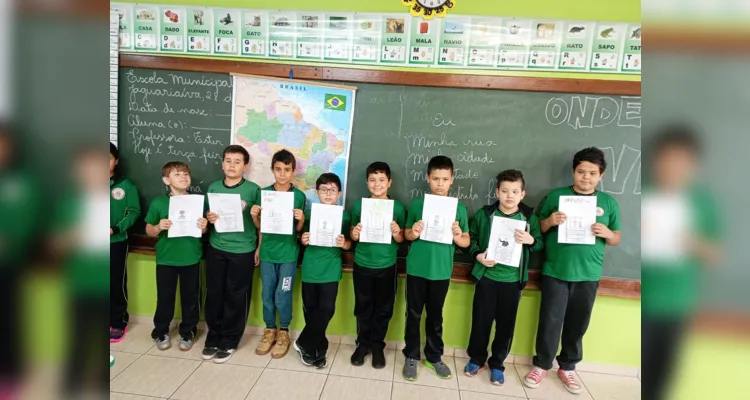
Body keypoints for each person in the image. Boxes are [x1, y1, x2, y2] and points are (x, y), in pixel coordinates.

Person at [524, 147, 621, 394]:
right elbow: (537, 230)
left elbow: (616, 237)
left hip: (588, 273)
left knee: (578, 323)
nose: (585, 177)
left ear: (602, 175)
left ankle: (567, 366)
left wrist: (607, 233)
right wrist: (550, 221)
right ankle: (542, 364)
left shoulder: (608, 202)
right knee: (550, 321)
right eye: (580, 172)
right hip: (556, 270)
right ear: (573, 171)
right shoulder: (556, 196)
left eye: (592, 173)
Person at [641, 125, 721, 400]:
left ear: (693, 165)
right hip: (643, 301)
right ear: (656, 161)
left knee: (662, 381)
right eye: (667, 159)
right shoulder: (644, 195)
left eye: (681, 161)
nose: (673, 167)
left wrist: (693, 242)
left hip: (677, 305)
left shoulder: (702, 202)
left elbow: (715, 255)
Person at [464, 169, 544, 385]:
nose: (510, 196)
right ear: (497, 192)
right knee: (481, 322)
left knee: (506, 326)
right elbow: (469, 239)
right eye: (505, 191)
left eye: (515, 191)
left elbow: (539, 244)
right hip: (487, 278)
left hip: (512, 282)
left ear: (522, 194)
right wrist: (478, 256)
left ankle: (497, 364)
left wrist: (530, 240)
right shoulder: (484, 215)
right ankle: (476, 358)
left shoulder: (529, 218)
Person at [402, 155, 470, 381]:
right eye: (435, 179)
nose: (440, 184)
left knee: (435, 316)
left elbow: (466, 242)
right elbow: (406, 235)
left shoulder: (458, 208)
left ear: (452, 180)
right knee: (413, 314)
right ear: (427, 179)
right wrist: (414, 231)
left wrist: (458, 236)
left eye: (445, 179)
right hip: (416, 269)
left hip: (441, 271)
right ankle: (411, 355)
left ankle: (434, 356)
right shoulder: (417, 205)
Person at [203, 145, 261, 364]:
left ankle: (230, 339)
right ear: (222, 163)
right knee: (215, 293)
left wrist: (258, 249)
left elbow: (260, 224)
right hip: (217, 247)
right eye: (228, 160)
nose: (232, 165)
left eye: (237, 161)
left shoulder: (253, 190)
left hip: (243, 250)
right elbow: (208, 220)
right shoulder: (214, 187)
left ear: (245, 166)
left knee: (237, 295)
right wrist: (209, 218)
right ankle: (214, 334)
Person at [145, 161, 208, 351]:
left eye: (186, 174)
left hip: (191, 256)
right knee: (165, 297)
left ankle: (188, 331)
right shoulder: (158, 202)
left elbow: (204, 231)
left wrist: (203, 225)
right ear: (166, 180)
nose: (183, 177)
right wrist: (158, 227)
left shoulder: (198, 201)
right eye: (177, 174)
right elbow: (149, 229)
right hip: (166, 258)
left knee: (191, 298)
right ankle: (161, 331)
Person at [349, 162, 406, 369]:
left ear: (389, 183)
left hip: (387, 265)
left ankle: (377, 345)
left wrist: (396, 232)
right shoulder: (359, 206)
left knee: (383, 308)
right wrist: (353, 234)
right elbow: (352, 232)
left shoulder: (397, 208)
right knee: (363, 307)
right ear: (367, 182)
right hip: (362, 263)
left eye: (382, 180)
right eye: (372, 180)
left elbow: (401, 240)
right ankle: (362, 344)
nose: (377, 184)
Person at [295, 173, 351, 369]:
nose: (328, 193)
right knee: (311, 311)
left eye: (333, 190)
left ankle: (303, 341)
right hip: (311, 267)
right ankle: (318, 349)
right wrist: (303, 239)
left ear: (339, 193)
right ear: (317, 192)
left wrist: (344, 244)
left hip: (331, 268)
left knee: (326, 309)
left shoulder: (344, 215)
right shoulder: (309, 215)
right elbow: (300, 236)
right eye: (324, 190)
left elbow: (349, 243)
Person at [255, 149, 306, 359]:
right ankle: (269, 330)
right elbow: (261, 227)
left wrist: (301, 218)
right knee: (267, 293)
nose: (282, 174)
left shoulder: (299, 196)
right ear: (272, 170)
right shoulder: (264, 194)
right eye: (278, 169)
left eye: (287, 170)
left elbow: (299, 229)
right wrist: (255, 219)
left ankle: (283, 332)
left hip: (288, 254)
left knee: (282, 294)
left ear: (293, 172)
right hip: (267, 252)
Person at [110, 142, 141, 342]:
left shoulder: (125, 185)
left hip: (116, 241)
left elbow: (133, 212)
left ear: (116, 161)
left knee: (115, 283)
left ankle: (118, 321)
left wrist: (115, 229)